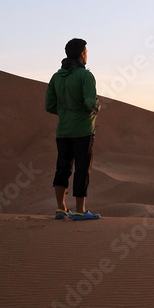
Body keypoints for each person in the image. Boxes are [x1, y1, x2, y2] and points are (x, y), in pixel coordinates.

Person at [46, 38, 101, 220]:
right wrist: (96, 108)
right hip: (83, 130)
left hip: (63, 131)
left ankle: (61, 209)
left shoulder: (56, 77)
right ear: (81, 54)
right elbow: (89, 103)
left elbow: (49, 105)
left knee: (62, 168)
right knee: (82, 169)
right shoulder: (85, 76)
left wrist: (64, 112)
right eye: (86, 52)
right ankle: (80, 210)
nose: (87, 55)